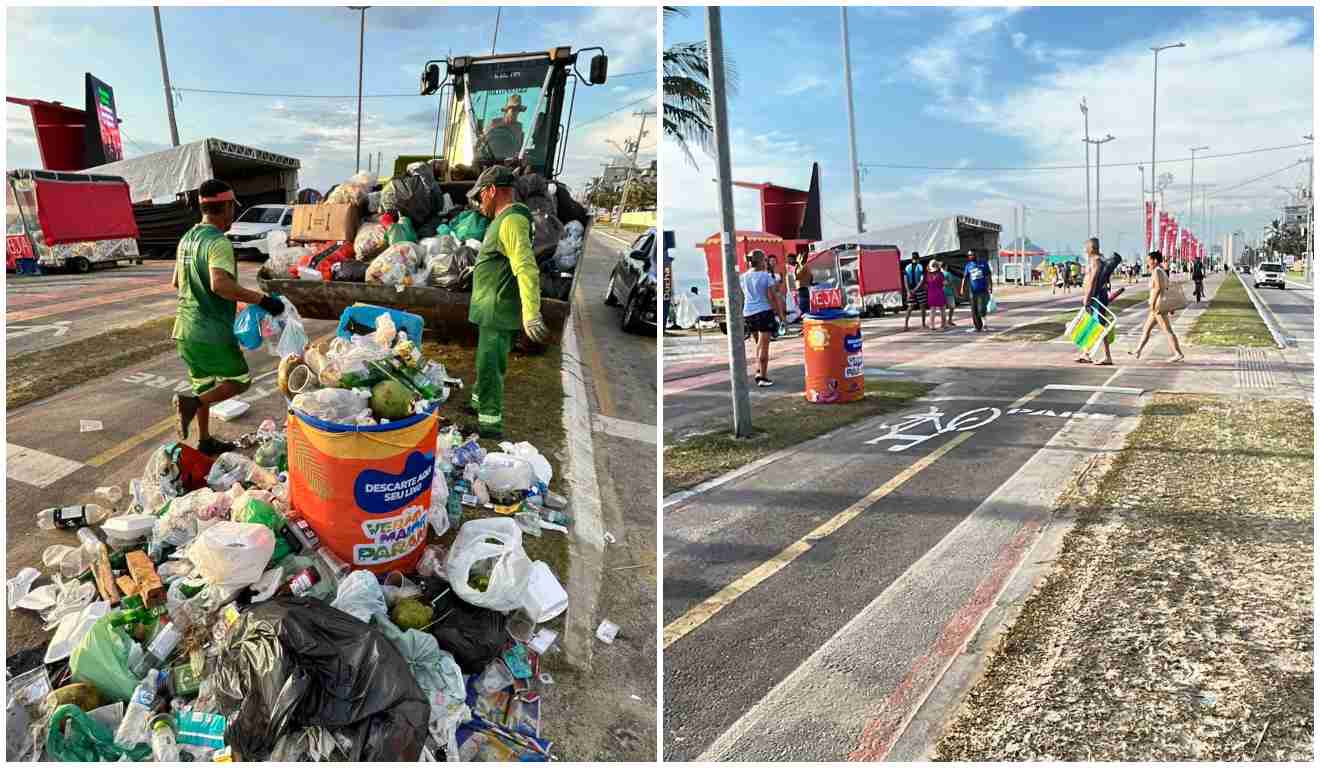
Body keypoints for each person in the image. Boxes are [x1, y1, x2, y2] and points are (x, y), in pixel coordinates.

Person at [171, 179, 285, 455]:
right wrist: (262, 300)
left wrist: (231, 301)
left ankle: (204, 440)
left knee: (203, 385)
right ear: (225, 207)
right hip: (211, 331)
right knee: (239, 380)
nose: (233, 213)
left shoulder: (187, 238)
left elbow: (176, 282)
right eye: (232, 207)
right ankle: (191, 405)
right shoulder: (217, 242)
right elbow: (220, 284)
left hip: (184, 329)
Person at [467, 165, 550, 438]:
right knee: (486, 361)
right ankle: (477, 403)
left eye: (480, 195)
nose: (479, 202)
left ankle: (489, 425)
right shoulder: (506, 219)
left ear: (492, 190)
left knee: (490, 366)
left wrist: (531, 313)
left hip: (498, 306)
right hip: (492, 306)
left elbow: (525, 267)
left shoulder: (512, 221)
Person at [741, 249, 786, 387]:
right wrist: (780, 315)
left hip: (748, 313)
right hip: (764, 312)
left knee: (758, 344)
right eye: (765, 260)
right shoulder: (766, 276)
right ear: (762, 261)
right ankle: (763, 377)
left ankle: (758, 370)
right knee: (764, 346)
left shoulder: (744, 277)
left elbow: (743, 296)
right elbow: (772, 297)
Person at [1131, 251, 1185, 363]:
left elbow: (1158, 288)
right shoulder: (1161, 271)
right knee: (1146, 328)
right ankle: (1138, 350)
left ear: (1155, 260)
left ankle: (1178, 353)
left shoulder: (1157, 271)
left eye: (1149, 261)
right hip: (1157, 306)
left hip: (1157, 306)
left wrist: (1152, 303)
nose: (1147, 263)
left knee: (1167, 330)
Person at [1077, 237, 1114, 365]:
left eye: (1086, 248)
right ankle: (1086, 353)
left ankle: (1107, 356)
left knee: (1099, 325)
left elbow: (1093, 279)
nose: (1085, 250)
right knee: (1091, 324)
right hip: (1097, 295)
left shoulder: (1095, 260)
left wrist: (1087, 297)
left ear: (1092, 248)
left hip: (1096, 296)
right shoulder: (1100, 259)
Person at [480, 94, 527, 160]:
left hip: (511, 161)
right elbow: (483, 139)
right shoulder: (494, 123)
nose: (516, 113)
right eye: (513, 110)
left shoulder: (519, 128)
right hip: (491, 158)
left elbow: (519, 148)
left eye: (518, 110)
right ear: (507, 110)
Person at [960, 249, 994, 332]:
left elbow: (988, 275)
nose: (969, 256)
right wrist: (962, 288)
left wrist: (990, 286)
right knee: (974, 310)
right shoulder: (968, 265)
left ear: (976, 255)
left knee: (981, 309)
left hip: (982, 290)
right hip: (973, 291)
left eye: (971, 255)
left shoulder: (984, 264)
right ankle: (977, 327)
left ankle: (985, 325)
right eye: (968, 255)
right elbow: (965, 277)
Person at [903, 251, 928, 330]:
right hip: (919, 289)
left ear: (912, 258)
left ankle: (906, 325)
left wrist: (908, 291)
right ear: (918, 259)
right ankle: (923, 324)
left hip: (910, 289)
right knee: (922, 306)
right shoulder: (921, 267)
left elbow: (905, 280)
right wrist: (916, 289)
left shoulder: (907, 267)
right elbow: (921, 280)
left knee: (910, 307)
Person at [926, 259, 948, 330]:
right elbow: (945, 283)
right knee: (942, 309)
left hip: (931, 294)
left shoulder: (928, 275)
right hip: (939, 293)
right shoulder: (940, 274)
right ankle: (943, 324)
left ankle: (932, 325)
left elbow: (926, 284)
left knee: (932, 310)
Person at [793, 254, 813, 322]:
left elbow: (796, 277)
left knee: (803, 304)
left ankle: (802, 317)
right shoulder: (804, 266)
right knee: (805, 305)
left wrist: (796, 268)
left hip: (803, 288)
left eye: (798, 258)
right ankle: (806, 318)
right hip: (804, 288)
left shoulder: (802, 267)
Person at [941, 261, 959, 327]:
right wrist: (956, 293)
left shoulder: (938, 274)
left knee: (943, 309)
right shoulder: (948, 274)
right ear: (946, 267)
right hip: (949, 293)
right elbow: (952, 284)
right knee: (952, 307)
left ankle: (943, 322)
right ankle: (949, 320)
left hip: (941, 293)